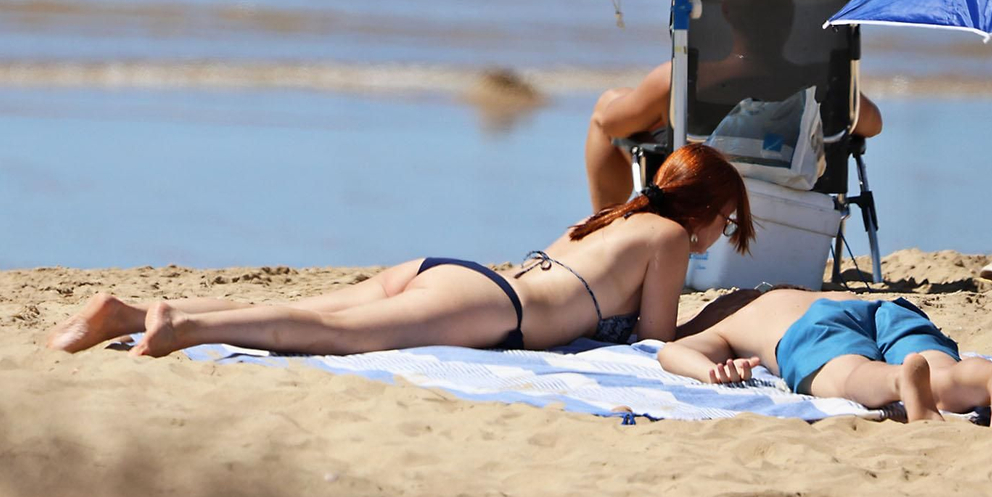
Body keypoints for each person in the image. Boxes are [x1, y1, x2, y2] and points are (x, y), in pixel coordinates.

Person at [46, 143, 754, 357]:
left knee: (307, 307)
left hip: (452, 274)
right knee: (328, 334)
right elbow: (656, 337)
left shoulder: (606, 216)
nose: (718, 236)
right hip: (492, 308)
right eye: (725, 222)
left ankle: (126, 313)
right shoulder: (668, 235)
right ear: (706, 209)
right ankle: (180, 326)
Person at [657, 288, 992, 426]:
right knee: (942, 372)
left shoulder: (741, 317)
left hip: (815, 325)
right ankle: (989, 379)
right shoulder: (800, 294)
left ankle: (899, 380)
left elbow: (671, 350)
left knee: (851, 374)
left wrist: (710, 371)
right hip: (887, 309)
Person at [584, 63, 883, 214]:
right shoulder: (818, 80)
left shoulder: (681, 76)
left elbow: (611, 125)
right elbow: (872, 124)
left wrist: (664, 107)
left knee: (608, 105)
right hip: (793, 191)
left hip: (698, 195)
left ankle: (603, 228)